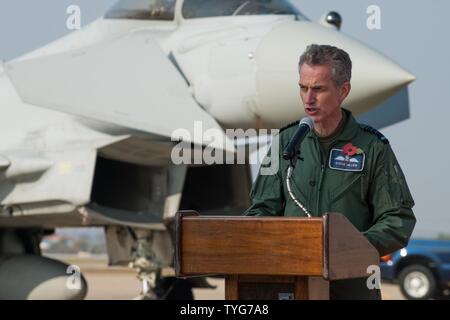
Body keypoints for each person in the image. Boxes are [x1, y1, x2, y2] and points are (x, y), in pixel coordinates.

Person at [244, 44, 416, 300]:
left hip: (352, 289)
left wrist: (347, 247)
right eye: (303, 88)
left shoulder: (372, 148)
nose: (308, 98)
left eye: (319, 89)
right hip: (291, 286)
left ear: (343, 91)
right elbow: (260, 211)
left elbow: (398, 220)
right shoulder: (286, 142)